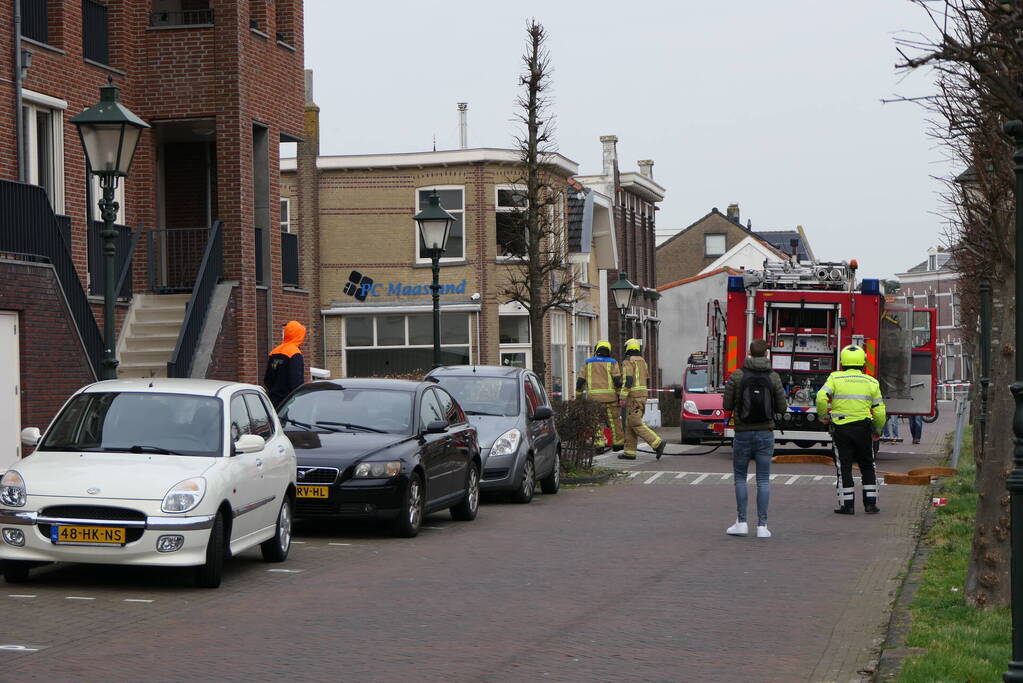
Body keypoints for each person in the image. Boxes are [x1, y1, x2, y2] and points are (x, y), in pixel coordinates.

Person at [721, 338, 787, 539]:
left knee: (740, 478)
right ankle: (762, 526)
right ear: (766, 354)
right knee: (763, 480)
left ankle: (741, 523)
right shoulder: (773, 377)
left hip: (742, 433)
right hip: (765, 433)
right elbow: (782, 407)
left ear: (749, 353)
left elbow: (726, 405)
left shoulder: (737, 376)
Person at [816, 345, 887, 515]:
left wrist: (823, 416)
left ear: (842, 363)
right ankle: (870, 504)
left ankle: (847, 505)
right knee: (867, 465)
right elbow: (880, 411)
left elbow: (820, 398)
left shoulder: (835, 378)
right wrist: (878, 429)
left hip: (841, 429)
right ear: (863, 363)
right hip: (864, 428)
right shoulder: (872, 382)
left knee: (844, 467)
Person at [619, 338, 666, 461]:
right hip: (642, 396)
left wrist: (622, 397)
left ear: (627, 348)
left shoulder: (628, 361)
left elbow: (628, 380)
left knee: (635, 422)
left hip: (633, 398)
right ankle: (629, 452)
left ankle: (657, 443)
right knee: (630, 424)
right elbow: (647, 379)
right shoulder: (643, 361)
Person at [575, 340, 624, 452]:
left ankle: (599, 445)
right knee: (614, 422)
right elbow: (617, 381)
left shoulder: (588, 363)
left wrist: (578, 398)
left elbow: (580, 382)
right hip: (611, 400)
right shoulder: (613, 362)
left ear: (596, 350)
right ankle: (618, 444)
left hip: (594, 400)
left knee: (596, 423)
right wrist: (620, 396)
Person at [264, 320, 306, 407]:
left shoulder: (274, 352)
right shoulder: (295, 354)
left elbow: (267, 380)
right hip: (288, 404)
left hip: (272, 402)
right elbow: (297, 383)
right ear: (299, 335)